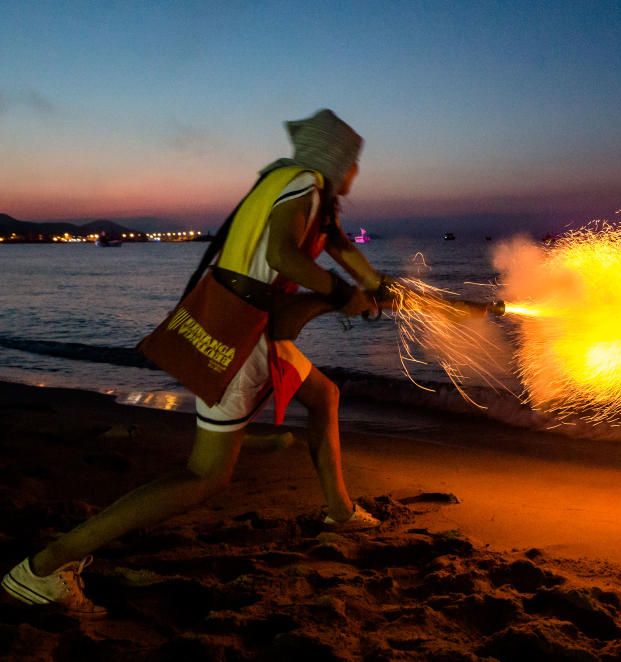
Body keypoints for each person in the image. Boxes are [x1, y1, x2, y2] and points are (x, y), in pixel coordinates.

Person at [2, 109, 389, 618]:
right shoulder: (304, 184)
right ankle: (42, 568)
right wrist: (343, 294)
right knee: (205, 476)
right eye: (353, 162)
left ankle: (339, 512)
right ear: (335, 160)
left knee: (324, 395)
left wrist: (378, 288)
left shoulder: (292, 185)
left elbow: (339, 247)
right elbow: (282, 256)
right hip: (241, 334)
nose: (356, 173)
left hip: (248, 325)